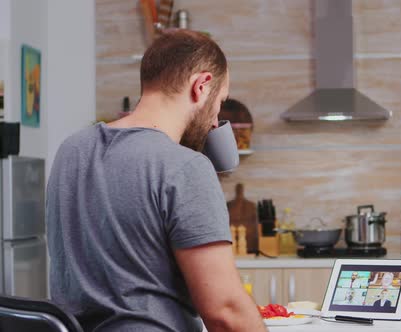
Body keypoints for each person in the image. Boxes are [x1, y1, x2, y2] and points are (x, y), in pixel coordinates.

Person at [46, 30, 266, 332]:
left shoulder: (71, 150)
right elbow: (225, 312)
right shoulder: (185, 166)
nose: (216, 121)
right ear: (201, 86)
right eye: (221, 101)